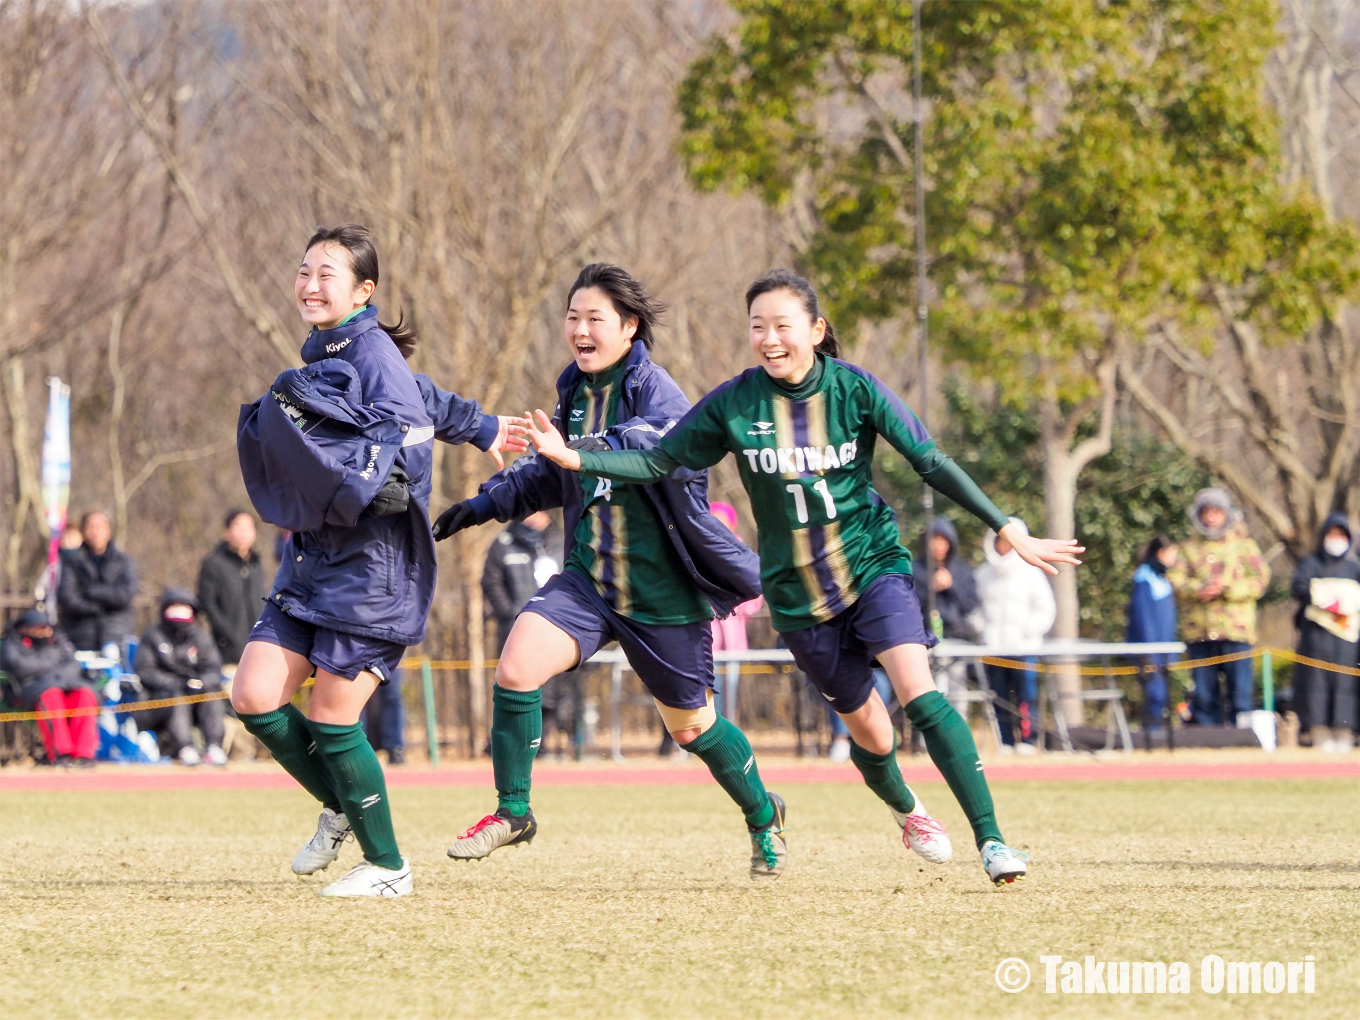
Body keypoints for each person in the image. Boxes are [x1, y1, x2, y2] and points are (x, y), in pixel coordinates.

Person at [523, 268, 1083, 886]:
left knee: (919, 694)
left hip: (872, 568)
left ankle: (993, 842)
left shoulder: (855, 390)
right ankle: (909, 809)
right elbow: (659, 458)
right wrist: (575, 457)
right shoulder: (736, 402)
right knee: (871, 732)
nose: (769, 339)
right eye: (757, 327)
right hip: (797, 598)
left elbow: (929, 460)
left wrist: (1003, 525)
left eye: (782, 326)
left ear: (816, 330)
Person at [433, 263, 789, 879]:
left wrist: (578, 451)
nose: (580, 329)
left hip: (661, 593)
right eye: (573, 317)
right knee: (517, 665)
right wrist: (480, 506)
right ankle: (513, 811)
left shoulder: (659, 391)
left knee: (693, 728)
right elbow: (547, 474)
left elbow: (648, 449)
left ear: (628, 327)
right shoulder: (573, 388)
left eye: (594, 318)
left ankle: (763, 815)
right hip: (589, 582)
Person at [233, 224, 528, 898]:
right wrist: (480, 424)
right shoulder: (337, 347)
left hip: (373, 571)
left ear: (364, 290)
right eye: (304, 270)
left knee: (336, 717)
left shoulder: (369, 352)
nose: (309, 284)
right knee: (253, 694)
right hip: (314, 559)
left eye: (326, 274)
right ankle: (342, 803)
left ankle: (389, 867)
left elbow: (404, 434)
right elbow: (416, 396)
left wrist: (383, 477)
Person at [1167, 488, 1270, 727]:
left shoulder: (1244, 547)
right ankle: (1207, 735)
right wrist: (1197, 589)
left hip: (1236, 630)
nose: (1211, 517)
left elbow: (1260, 580)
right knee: (1204, 692)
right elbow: (1175, 579)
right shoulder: (1188, 548)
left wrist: (1227, 588)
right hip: (1200, 632)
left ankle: (1242, 734)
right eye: (1206, 512)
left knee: (1240, 690)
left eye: (1216, 512)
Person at [975, 520, 1056, 754]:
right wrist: (982, 631)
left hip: (1024, 648)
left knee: (1026, 697)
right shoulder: (982, 575)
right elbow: (976, 609)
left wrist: (1028, 631)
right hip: (994, 649)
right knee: (999, 697)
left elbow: (1046, 609)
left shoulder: (1031, 573)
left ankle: (1028, 741)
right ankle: (1006, 740)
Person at [1290, 514, 1359, 752]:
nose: (1336, 540)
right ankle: (1318, 732)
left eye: (1341, 535)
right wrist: (1323, 600)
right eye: (1332, 535)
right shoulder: (1311, 563)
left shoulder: (1354, 567)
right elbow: (1299, 587)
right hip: (1317, 637)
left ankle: (1345, 732)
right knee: (1316, 683)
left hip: (1347, 640)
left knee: (1345, 684)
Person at [134, 589, 225, 766]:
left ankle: (214, 747)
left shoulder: (201, 638)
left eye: (184, 607)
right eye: (174, 607)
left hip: (198, 697)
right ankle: (185, 748)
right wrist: (178, 683)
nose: (179, 612)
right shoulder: (153, 637)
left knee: (213, 697)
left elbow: (214, 670)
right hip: (161, 700)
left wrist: (200, 683)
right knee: (177, 698)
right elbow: (145, 671)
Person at [1, 610, 96, 766]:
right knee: (51, 696)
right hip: (30, 692)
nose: (42, 632)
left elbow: (73, 665)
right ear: (24, 629)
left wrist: (50, 673)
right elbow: (19, 666)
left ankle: (84, 755)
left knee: (84, 695)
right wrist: (52, 668)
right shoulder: (12, 643)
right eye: (37, 628)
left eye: (45, 628)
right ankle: (60, 754)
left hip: (67, 686)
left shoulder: (60, 642)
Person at [56, 510, 139, 654]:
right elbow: (67, 597)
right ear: (83, 531)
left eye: (99, 526)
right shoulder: (72, 562)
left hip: (117, 635)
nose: (95, 531)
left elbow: (125, 594)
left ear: (108, 530)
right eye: (91, 526)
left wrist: (92, 591)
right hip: (81, 635)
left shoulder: (124, 561)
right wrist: (97, 607)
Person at [197, 509, 267, 668]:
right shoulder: (213, 563)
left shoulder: (257, 564)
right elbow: (207, 603)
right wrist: (228, 635)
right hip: (227, 651)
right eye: (238, 526)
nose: (244, 532)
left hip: (260, 647)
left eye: (249, 527)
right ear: (226, 532)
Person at [1126, 535, 1179, 737]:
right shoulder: (1144, 576)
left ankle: (1157, 732)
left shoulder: (1161, 577)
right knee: (1154, 694)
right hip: (1150, 650)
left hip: (1163, 649)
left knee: (1163, 694)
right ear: (1161, 553)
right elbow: (1144, 617)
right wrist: (1149, 651)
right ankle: (1151, 734)